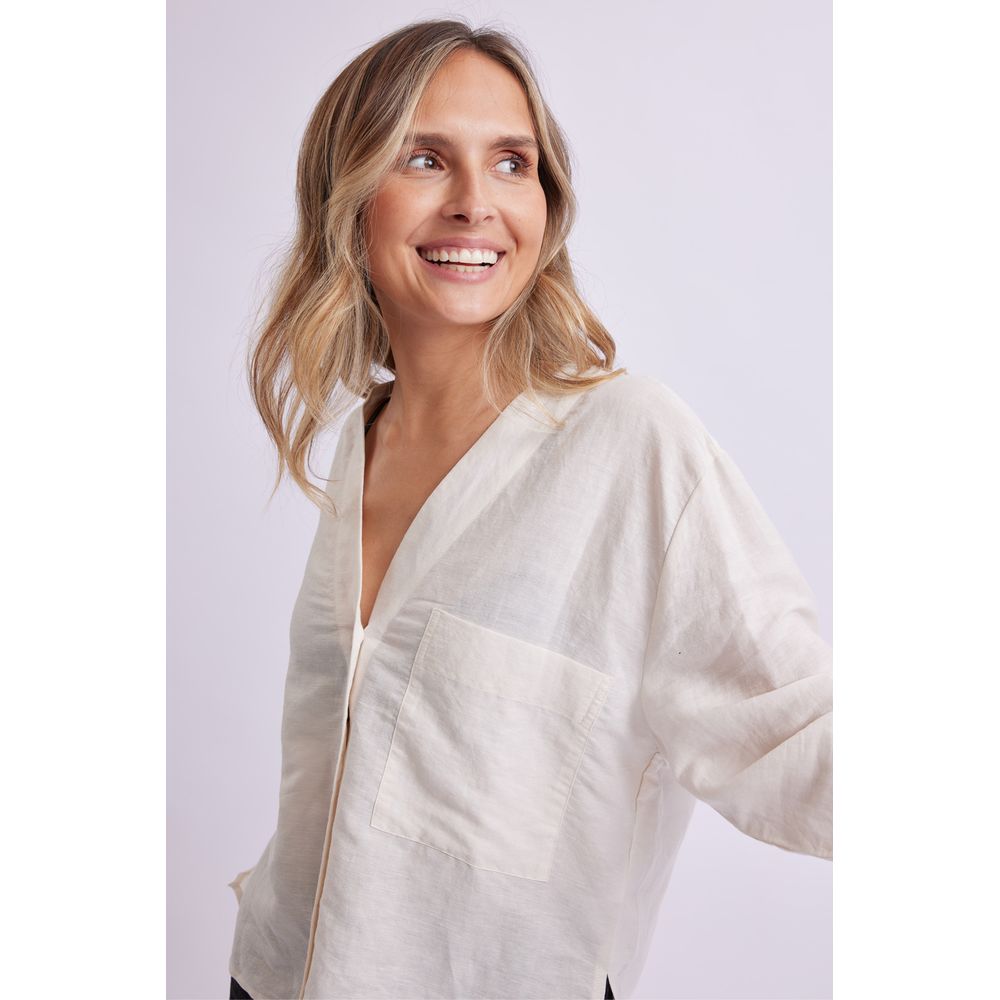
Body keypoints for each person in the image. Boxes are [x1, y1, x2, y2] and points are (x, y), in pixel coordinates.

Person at [225, 16, 832, 1000]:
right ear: (349, 196)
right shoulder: (361, 441)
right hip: (274, 975)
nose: (476, 202)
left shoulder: (630, 444)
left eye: (512, 163)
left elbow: (794, 731)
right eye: (425, 158)